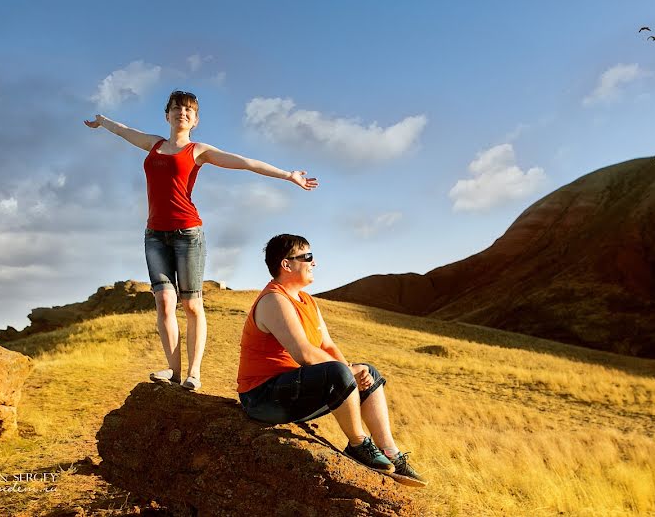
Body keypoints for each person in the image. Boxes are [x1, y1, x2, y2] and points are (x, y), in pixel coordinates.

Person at [84, 90, 318, 391]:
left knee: (191, 304)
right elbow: (125, 131)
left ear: (195, 120)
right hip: (154, 234)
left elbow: (245, 162)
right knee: (164, 302)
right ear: (167, 115)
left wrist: (288, 175)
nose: (182, 113)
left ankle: (194, 373)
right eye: (176, 109)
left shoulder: (198, 151)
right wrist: (103, 121)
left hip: (187, 234)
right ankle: (174, 370)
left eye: (189, 111)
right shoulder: (153, 145)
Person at [236, 234, 427, 487]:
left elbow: (327, 345)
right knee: (340, 373)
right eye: (308, 257)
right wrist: (347, 372)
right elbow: (303, 353)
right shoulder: (274, 300)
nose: (314, 263)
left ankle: (390, 452)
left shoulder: (308, 301)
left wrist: (355, 375)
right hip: (262, 397)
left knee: (368, 371)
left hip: (292, 391)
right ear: (286, 264)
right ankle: (358, 445)